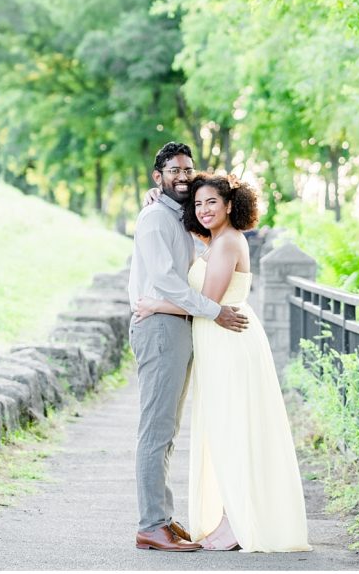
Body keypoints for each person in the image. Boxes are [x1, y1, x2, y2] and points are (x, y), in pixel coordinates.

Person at [135, 173, 311, 553]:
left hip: (229, 344)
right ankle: (230, 517)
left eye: (212, 202)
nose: (203, 209)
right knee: (224, 430)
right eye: (197, 204)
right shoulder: (214, 240)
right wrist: (157, 196)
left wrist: (155, 304)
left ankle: (237, 523)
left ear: (230, 204)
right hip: (216, 343)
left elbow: (209, 301)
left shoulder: (229, 242)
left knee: (235, 429)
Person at [127, 143, 249, 552]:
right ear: (157, 176)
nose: (182, 176)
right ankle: (151, 524)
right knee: (157, 428)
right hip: (161, 327)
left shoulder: (179, 218)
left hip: (177, 327)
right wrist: (214, 311)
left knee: (168, 429)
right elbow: (166, 281)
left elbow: (200, 259)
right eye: (173, 170)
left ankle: (161, 517)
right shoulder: (154, 220)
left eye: (188, 170)